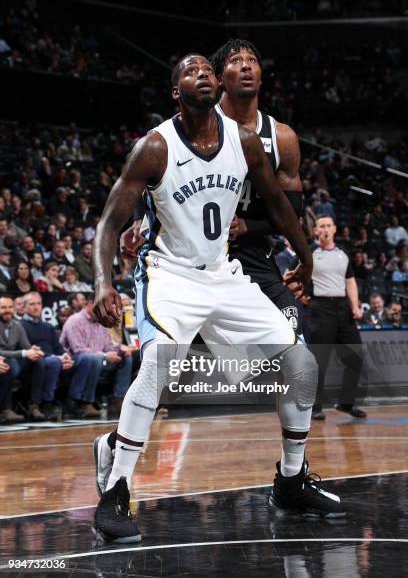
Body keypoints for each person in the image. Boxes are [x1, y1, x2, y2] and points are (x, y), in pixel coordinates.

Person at [91, 53, 343, 544]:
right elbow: (108, 222)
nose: (202, 75)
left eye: (207, 69)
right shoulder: (154, 147)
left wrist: (306, 257)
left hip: (222, 274)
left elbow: (277, 204)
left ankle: (291, 480)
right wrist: (103, 282)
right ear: (175, 91)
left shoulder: (244, 141)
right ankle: (115, 492)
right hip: (170, 274)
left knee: (301, 364)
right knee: (158, 364)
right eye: (190, 71)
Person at [307, 215, 367, 421]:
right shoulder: (308, 252)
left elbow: (350, 281)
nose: (325, 229)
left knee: (355, 357)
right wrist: (303, 298)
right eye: (321, 226)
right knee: (319, 360)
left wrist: (355, 306)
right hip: (320, 308)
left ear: (334, 229)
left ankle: (346, 403)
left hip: (343, 308)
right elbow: (291, 275)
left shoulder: (343, 254)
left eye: (328, 225)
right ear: (315, 231)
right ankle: (315, 406)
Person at [21, 292, 100, 419]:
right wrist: (57, 358)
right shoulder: (21, 325)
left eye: (38, 304)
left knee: (85, 359)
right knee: (53, 361)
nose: (36, 307)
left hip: (55, 359)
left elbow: (58, 347)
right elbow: (28, 348)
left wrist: (65, 356)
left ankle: (74, 400)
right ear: (24, 307)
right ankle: (47, 403)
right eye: (32, 304)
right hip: (36, 360)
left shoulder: (47, 326)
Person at [59, 295, 132, 418]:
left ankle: (118, 400)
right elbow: (78, 350)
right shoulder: (74, 321)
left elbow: (108, 345)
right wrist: (104, 355)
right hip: (73, 361)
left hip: (99, 360)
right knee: (95, 359)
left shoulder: (101, 322)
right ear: (91, 304)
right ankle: (86, 402)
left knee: (126, 357)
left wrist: (120, 348)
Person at [0, 294, 46, 421]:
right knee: (11, 365)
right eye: (3, 307)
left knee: (38, 361)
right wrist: (24, 353)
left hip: (11, 360)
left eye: (10, 307)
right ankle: (5, 409)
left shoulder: (17, 325)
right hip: (6, 361)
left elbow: (27, 347)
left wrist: (35, 351)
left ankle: (34, 405)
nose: (7, 310)